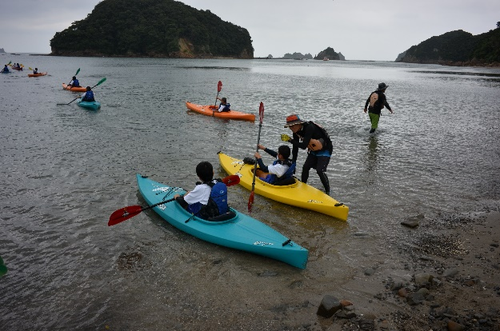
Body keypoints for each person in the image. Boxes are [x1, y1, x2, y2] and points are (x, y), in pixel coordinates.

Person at [282, 114, 333, 195]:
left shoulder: (309, 127)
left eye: (292, 126)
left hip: (325, 149)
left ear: (298, 124)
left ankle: (328, 192)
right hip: (313, 149)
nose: (291, 128)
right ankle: (303, 186)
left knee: (320, 170)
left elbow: (303, 146)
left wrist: (290, 140)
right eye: (290, 127)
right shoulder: (295, 132)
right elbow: (295, 147)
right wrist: (293, 162)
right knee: (305, 167)